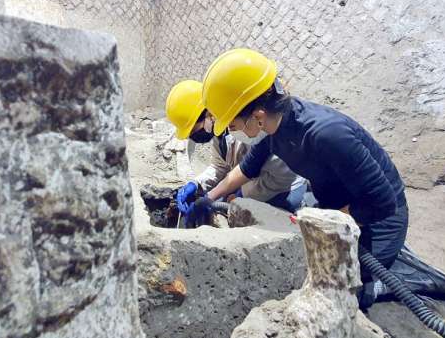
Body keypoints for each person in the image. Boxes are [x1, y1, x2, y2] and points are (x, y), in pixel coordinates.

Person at [191, 48, 409, 307]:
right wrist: (207, 198)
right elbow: (246, 169)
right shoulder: (277, 128)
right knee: (303, 267)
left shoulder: (327, 134)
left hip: (378, 220)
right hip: (336, 206)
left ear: (258, 116)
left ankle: (386, 286)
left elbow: (383, 202)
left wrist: (322, 224)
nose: (231, 130)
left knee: (338, 293)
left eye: (233, 124)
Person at [165, 80, 307, 227]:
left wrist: (241, 195)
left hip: (283, 189)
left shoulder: (251, 128)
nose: (195, 136)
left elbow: (281, 178)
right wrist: (196, 184)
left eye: (195, 130)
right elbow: (219, 167)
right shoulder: (220, 133)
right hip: (249, 181)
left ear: (208, 114)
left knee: (229, 209)